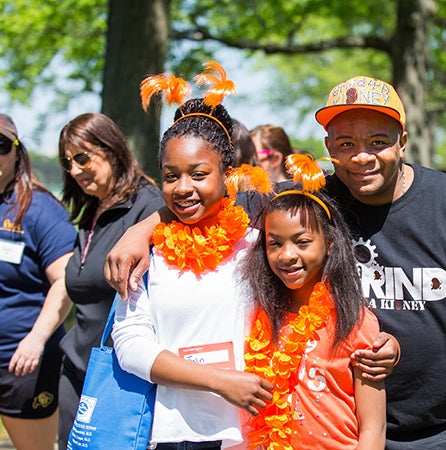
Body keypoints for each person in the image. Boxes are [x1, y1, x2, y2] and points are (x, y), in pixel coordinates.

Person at [106, 75, 446, 449]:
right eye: (346, 144)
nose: (361, 157)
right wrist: (142, 228)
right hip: (347, 425)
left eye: (378, 142)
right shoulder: (311, 199)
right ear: (329, 148)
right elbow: (208, 192)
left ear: (403, 140)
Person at [112, 63, 274, 449]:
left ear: (226, 173)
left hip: (249, 433)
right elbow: (130, 345)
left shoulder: (260, 247)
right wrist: (220, 381)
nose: (183, 188)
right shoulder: (146, 254)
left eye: (198, 174)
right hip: (170, 435)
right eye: (171, 176)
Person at [241, 158, 385, 449]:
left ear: (330, 243)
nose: (287, 255)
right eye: (275, 243)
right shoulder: (255, 316)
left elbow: (374, 427)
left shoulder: (356, 321)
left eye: (302, 242)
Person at [56, 113, 164, 449]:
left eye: (83, 157)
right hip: (75, 371)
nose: (75, 170)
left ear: (112, 150)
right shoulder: (90, 213)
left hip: (122, 379)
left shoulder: (149, 208)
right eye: (68, 161)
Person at [0, 113, 76, 450]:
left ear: (18, 152)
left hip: (22, 363)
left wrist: (36, 339)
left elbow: (64, 281)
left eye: (1, 145)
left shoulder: (40, 209)